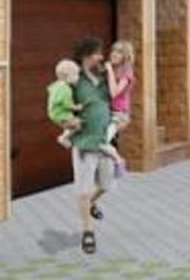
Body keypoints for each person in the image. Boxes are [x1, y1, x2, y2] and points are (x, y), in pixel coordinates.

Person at [69, 36, 115, 255]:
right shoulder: (74, 80)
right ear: (85, 55)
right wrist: (66, 121)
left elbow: (114, 100)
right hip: (84, 142)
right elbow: (58, 105)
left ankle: (91, 204)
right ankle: (88, 231)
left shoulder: (103, 78)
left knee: (105, 185)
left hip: (104, 142)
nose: (101, 56)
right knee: (84, 189)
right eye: (97, 53)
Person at [102, 40, 135, 176]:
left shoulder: (126, 73)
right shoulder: (114, 70)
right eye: (113, 51)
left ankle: (118, 161)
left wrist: (109, 71)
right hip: (108, 112)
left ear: (125, 56)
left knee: (101, 141)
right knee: (98, 141)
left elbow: (114, 92)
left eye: (119, 52)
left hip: (119, 115)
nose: (114, 54)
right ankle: (112, 163)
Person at [47, 59, 83, 149]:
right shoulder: (66, 89)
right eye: (75, 74)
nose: (77, 77)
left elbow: (51, 91)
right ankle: (64, 138)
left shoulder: (57, 85)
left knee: (70, 124)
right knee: (78, 125)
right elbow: (66, 104)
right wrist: (77, 107)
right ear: (67, 76)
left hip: (54, 112)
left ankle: (65, 135)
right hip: (61, 113)